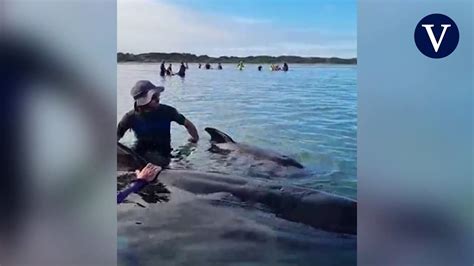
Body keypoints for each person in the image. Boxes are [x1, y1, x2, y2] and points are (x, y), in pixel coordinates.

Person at [117, 80, 199, 166]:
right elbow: (116, 137)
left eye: (157, 96)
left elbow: (187, 124)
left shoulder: (168, 111)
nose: (158, 99)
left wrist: (195, 138)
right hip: (139, 157)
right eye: (153, 97)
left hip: (163, 156)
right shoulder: (130, 117)